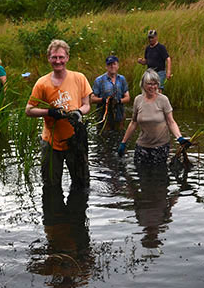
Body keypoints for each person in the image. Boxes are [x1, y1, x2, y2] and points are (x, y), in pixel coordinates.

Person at [25, 39, 92, 189]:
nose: (58, 61)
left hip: (75, 140)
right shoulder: (42, 83)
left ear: (67, 58)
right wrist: (49, 112)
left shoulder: (79, 78)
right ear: (49, 58)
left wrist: (78, 112)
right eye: (54, 57)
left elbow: (87, 105)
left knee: (81, 184)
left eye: (61, 57)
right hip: (51, 142)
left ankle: (78, 211)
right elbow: (28, 110)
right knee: (51, 186)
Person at [118, 69, 190, 163]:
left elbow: (171, 122)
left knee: (158, 175)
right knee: (141, 174)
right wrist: (123, 142)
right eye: (150, 84)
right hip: (142, 146)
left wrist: (180, 138)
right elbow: (133, 123)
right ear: (143, 84)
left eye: (155, 84)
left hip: (161, 146)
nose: (153, 87)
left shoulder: (163, 100)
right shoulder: (138, 100)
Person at [91, 55, 130, 131]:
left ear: (118, 66)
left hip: (119, 113)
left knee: (120, 133)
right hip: (104, 115)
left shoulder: (122, 79)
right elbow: (92, 99)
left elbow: (127, 98)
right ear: (106, 67)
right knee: (104, 135)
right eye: (109, 64)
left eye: (114, 64)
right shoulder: (99, 80)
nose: (112, 66)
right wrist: (103, 100)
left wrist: (119, 101)